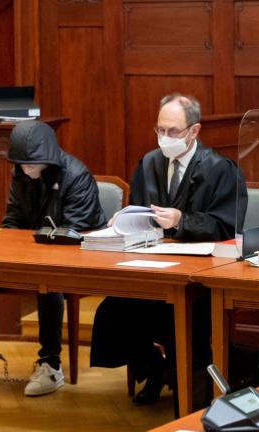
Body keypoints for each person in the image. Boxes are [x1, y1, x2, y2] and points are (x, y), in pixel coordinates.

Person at [90, 93, 247, 406]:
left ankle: (189, 398)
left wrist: (181, 220)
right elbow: (138, 210)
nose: (165, 138)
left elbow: (227, 225)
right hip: (151, 271)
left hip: (199, 279)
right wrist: (124, 221)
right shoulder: (149, 163)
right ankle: (154, 368)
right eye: (160, 130)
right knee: (111, 313)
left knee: (183, 323)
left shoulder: (220, 169)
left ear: (194, 131)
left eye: (173, 132)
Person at [0, 121, 106, 396]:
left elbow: (74, 231)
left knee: (49, 283)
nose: (25, 169)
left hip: (74, 258)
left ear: (47, 157)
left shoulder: (76, 175)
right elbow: (13, 219)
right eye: (20, 164)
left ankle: (50, 365)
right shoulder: (22, 174)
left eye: (31, 163)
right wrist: (8, 251)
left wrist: (32, 248)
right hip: (33, 253)